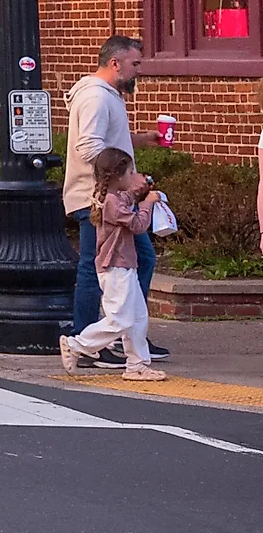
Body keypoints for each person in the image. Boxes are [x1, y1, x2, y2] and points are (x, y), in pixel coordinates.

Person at [65, 36, 164, 362]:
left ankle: (123, 335)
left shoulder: (107, 96)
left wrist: (140, 140)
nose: (139, 71)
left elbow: (108, 141)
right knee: (95, 269)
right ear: (115, 63)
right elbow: (90, 147)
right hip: (95, 199)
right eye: (135, 64)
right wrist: (126, 176)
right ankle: (90, 341)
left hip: (111, 197)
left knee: (140, 260)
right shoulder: (95, 97)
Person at [60, 148, 166, 382]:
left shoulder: (113, 197)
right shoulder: (111, 203)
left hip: (125, 265)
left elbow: (128, 198)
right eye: (130, 172)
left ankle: (137, 364)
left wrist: (142, 188)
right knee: (121, 319)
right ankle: (77, 344)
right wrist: (147, 204)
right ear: (119, 176)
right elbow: (138, 224)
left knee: (138, 316)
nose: (132, 175)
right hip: (115, 267)